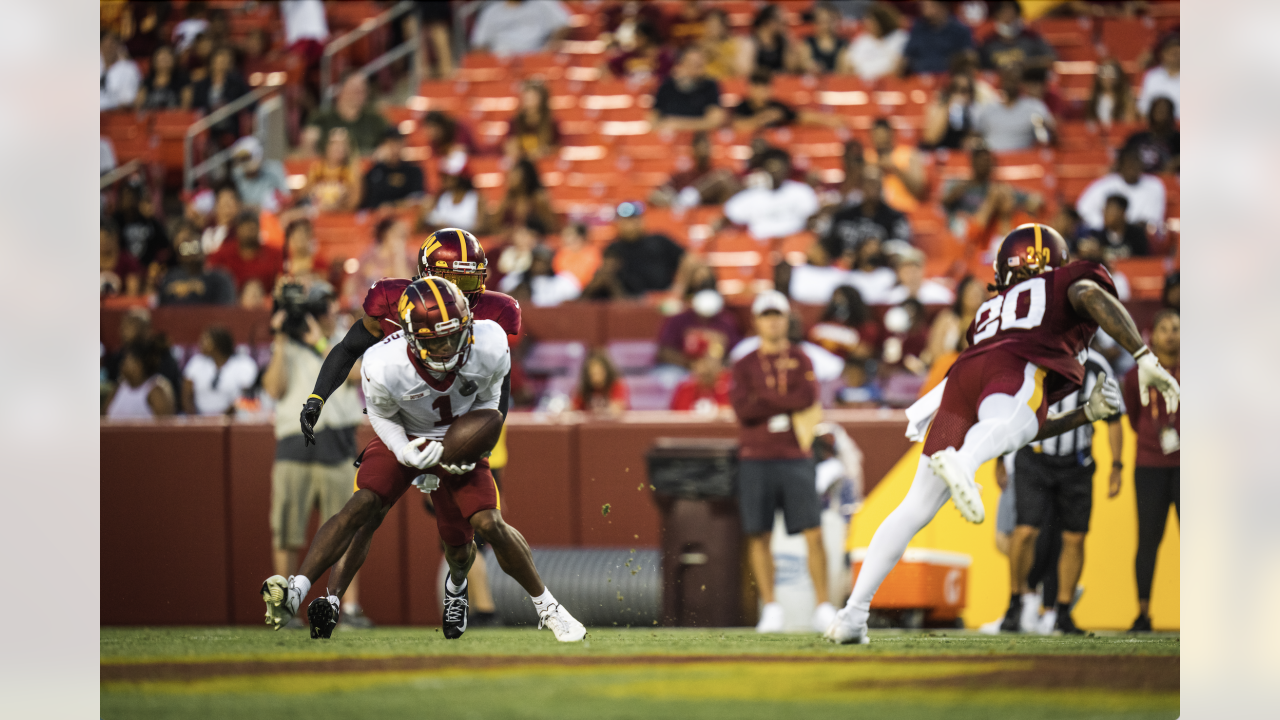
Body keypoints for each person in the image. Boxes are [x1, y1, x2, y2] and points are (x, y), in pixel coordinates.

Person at [824, 223, 1180, 644]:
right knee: (992, 436)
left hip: (964, 377)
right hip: (1013, 364)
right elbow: (1089, 296)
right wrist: (1142, 354)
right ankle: (966, 462)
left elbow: (1019, 427)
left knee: (914, 506)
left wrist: (1084, 414)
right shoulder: (1064, 283)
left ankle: (853, 614)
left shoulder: (988, 312)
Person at [262, 277, 586, 642]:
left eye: (453, 335)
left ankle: (527, 602)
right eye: (436, 339)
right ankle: (298, 590)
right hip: (404, 434)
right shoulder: (384, 362)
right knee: (363, 505)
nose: (448, 347)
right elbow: (381, 417)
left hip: (459, 436)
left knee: (483, 529)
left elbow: (491, 405)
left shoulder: (491, 342)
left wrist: (467, 451)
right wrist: (404, 452)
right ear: (411, 337)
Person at [260, 281, 370, 629]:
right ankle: (282, 606)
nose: (327, 315)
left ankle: (347, 606)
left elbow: (354, 376)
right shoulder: (286, 343)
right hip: (295, 441)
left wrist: (319, 342)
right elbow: (274, 388)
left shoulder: (343, 336)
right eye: (321, 310)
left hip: (338, 440)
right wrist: (281, 340)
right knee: (287, 529)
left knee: (347, 528)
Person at [996, 348, 1124, 635]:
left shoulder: (1096, 364)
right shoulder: (1034, 353)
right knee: (1025, 531)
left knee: (1074, 537)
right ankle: (1016, 601)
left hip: (1076, 462)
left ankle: (1063, 611)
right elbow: (1009, 411)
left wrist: (1117, 465)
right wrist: (999, 458)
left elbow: (1114, 417)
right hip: (1034, 457)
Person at [730, 290, 833, 634]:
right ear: (757, 321)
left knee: (813, 531)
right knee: (758, 534)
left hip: (794, 455)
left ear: (787, 318)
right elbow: (744, 409)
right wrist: (784, 404)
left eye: (777, 314)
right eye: (766, 315)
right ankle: (771, 606)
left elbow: (807, 396)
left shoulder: (802, 359)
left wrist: (766, 400)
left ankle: (823, 604)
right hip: (756, 456)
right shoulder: (744, 364)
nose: (772, 321)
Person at [1123, 309, 1179, 633]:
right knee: (1147, 541)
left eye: (1177, 328)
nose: (1172, 334)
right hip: (1149, 465)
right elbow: (1133, 415)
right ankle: (1143, 613)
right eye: (1165, 328)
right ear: (1152, 335)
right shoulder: (1135, 375)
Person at [591, 202, 686, 297]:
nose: (630, 225)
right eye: (626, 220)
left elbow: (689, 259)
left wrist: (679, 288)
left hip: (662, 296)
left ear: (641, 220)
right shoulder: (613, 249)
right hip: (627, 301)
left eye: (634, 219)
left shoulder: (659, 240)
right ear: (618, 223)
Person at [724, 148, 820, 242]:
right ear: (764, 169)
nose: (775, 171)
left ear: (787, 167)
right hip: (760, 244)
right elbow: (731, 214)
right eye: (771, 167)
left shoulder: (802, 191)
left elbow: (811, 216)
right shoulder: (752, 195)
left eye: (778, 167)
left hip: (794, 242)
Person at [822, 169, 911, 268]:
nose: (873, 187)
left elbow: (902, 248)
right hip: (841, 270)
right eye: (869, 183)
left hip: (879, 272)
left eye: (876, 183)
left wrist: (881, 250)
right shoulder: (842, 216)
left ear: (882, 187)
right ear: (861, 187)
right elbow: (824, 243)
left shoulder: (895, 218)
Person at [1075, 146, 1167, 232]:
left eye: (1136, 162)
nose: (1132, 167)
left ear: (1142, 164)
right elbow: (1083, 211)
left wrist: (1120, 227)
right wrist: (1108, 224)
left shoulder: (1155, 185)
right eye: (1129, 163)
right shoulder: (1104, 184)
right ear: (1120, 165)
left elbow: (1151, 222)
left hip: (1137, 238)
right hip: (1104, 234)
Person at [302, 73, 391, 156]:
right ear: (340, 89)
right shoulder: (321, 118)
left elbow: (391, 142)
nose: (359, 93)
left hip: (368, 168)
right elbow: (308, 146)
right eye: (354, 89)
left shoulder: (376, 119)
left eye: (362, 89)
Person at [180, 325, 259, 416]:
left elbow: (246, 395)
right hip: (199, 417)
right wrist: (195, 419)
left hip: (233, 419)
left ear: (218, 342)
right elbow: (186, 394)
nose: (201, 343)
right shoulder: (196, 363)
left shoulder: (243, 364)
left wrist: (225, 417)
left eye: (206, 340)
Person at [972, 65, 1055, 152]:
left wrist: (1045, 128)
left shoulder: (1034, 106)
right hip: (991, 159)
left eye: (1014, 79)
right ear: (1002, 81)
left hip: (1023, 160)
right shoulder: (988, 108)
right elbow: (975, 135)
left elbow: (1049, 134)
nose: (1011, 82)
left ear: (1021, 82)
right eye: (1008, 78)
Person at [649, 131, 741, 208]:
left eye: (706, 148)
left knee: (722, 179)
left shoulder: (720, 172)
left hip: (716, 215)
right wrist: (670, 199)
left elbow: (738, 194)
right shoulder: (682, 176)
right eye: (699, 148)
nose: (703, 152)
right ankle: (683, 200)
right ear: (692, 150)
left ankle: (686, 200)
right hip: (685, 214)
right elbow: (653, 196)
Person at [657, 287, 741, 369]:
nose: (705, 319)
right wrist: (689, 364)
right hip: (681, 369)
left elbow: (735, 351)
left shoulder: (726, 321)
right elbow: (665, 351)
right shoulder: (678, 320)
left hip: (716, 370)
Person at [207, 211, 284, 299]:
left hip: (266, 304)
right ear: (237, 230)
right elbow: (211, 278)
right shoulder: (222, 254)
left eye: (252, 228)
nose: (249, 231)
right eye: (245, 227)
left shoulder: (275, 253)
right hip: (231, 304)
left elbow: (282, 282)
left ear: (259, 229)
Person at [157, 222, 237, 306]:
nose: (192, 252)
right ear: (179, 256)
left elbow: (225, 312)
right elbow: (162, 309)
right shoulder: (170, 278)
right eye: (186, 248)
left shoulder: (220, 279)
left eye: (196, 246)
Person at [651, 47, 727, 133]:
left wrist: (677, 125)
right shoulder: (667, 86)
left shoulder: (709, 86)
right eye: (693, 64)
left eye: (700, 64)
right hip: (669, 138)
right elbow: (653, 120)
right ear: (681, 64)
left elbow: (715, 120)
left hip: (699, 138)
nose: (698, 68)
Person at [183, 45, 250, 139]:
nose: (221, 64)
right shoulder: (201, 85)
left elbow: (249, 103)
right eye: (219, 60)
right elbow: (196, 107)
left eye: (224, 61)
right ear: (212, 63)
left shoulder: (237, 83)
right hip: (207, 128)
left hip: (230, 129)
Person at [104, 338, 176, 419]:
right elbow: (104, 418)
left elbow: (166, 427)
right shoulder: (118, 387)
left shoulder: (156, 390)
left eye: (127, 359)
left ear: (139, 364)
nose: (122, 364)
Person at [899, 0, 974, 77]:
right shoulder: (918, 28)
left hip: (949, 79)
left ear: (942, 6)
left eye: (928, 4)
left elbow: (968, 60)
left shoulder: (960, 30)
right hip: (919, 78)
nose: (922, 7)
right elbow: (906, 56)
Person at [470, 0, 570, 57]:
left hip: (535, 59)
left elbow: (565, 25)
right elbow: (479, 45)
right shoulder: (491, 11)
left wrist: (549, 48)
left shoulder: (543, 3)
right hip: (501, 61)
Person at [347, 217, 411, 306]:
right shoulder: (368, 255)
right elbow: (352, 282)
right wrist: (349, 302)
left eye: (403, 235)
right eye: (397, 234)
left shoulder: (407, 257)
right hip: (365, 305)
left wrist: (398, 258)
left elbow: (407, 287)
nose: (400, 239)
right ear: (385, 234)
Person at [867, 119, 927, 213]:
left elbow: (918, 188)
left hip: (905, 210)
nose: (880, 141)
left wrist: (896, 169)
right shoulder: (868, 158)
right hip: (876, 214)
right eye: (877, 136)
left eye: (883, 137)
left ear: (891, 135)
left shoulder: (909, 154)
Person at [358, 128, 425, 210]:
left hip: (404, 216)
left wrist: (393, 206)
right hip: (375, 217)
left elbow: (416, 200)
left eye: (397, 144)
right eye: (390, 145)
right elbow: (366, 201)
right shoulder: (373, 171)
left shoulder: (414, 171)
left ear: (403, 145)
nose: (394, 149)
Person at [489, 158, 558, 236]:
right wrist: (507, 232)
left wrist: (533, 233)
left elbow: (550, 227)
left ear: (525, 176)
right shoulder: (506, 201)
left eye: (514, 174)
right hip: (510, 244)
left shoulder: (538, 199)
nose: (510, 178)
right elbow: (494, 227)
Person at [979, 1, 1055, 72]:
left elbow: (1050, 58)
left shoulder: (1032, 38)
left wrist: (1026, 64)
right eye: (1004, 14)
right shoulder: (988, 43)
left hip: (1027, 81)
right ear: (997, 16)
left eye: (1012, 14)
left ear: (1018, 16)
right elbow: (980, 68)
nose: (1008, 17)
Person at [113, 183, 170, 274]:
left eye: (132, 197)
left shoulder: (147, 220)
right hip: (123, 269)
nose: (129, 201)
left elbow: (164, 243)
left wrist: (152, 219)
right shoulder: (116, 221)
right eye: (126, 197)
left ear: (138, 199)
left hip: (147, 267)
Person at [844, 2, 907, 83]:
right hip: (861, 83)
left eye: (872, 21)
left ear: (882, 22)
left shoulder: (899, 38)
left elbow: (898, 67)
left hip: (890, 84)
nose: (867, 23)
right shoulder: (862, 39)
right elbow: (849, 65)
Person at [305, 128, 362, 212]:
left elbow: (354, 203)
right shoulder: (316, 169)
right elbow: (304, 195)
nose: (339, 147)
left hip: (342, 218)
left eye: (343, 144)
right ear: (326, 146)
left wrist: (335, 207)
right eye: (334, 143)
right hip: (316, 216)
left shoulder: (352, 172)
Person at [670, 338, 731, 414]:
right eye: (694, 361)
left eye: (703, 359)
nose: (699, 366)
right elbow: (678, 419)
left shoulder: (728, 383)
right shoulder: (685, 388)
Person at [230, 136, 290, 213]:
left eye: (246, 157)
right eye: (241, 158)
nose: (244, 162)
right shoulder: (236, 175)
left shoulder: (275, 170)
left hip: (271, 217)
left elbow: (286, 197)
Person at [504, 80, 560, 162]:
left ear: (542, 98)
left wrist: (544, 151)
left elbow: (558, 147)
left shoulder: (552, 123)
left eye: (533, 97)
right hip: (521, 163)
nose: (529, 100)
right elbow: (509, 145)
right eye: (527, 97)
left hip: (543, 164)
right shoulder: (515, 122)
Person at [1122, 97, 1180, 174]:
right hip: (1138, 180)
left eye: (1165, 111)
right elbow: (1122, 160)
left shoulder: (1178, 139)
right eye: (1158, 110)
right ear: (1151, 113)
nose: (1161, 114)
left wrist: (1176, 162)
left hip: (1166, 181)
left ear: (1171, 115)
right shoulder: (1136, 138)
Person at [423, 161, 484, 233]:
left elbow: (480, 227)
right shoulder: (443, 197)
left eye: (448, 177)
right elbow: (429, 220)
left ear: (459, 178)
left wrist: (453, 229)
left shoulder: (476, 198)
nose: (444, 180)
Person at [1083, 195, 1150, 259]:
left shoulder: (1136, 235)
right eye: (1104, 210)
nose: (1105, 214)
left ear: (1122, 212)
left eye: (1109, 210)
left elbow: (1141, 261)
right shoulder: (1097, 237)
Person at [922, 71, 976, 150]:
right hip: (938, 154)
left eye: (966, 91)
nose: (961, 95)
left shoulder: (973, 111)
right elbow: (930, 139)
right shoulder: (939, 108)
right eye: (956, 89)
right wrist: (948, 107)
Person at [740, 5, 800, 76]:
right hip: (760, 83)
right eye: (782, 23)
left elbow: (791, 69)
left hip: (781, 83)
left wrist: (792, 47)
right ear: (770, 22)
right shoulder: (750, 43)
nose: (784, 27)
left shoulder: (783, 41)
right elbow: (746, 71)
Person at [883, 246, 954, 305]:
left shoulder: (940, 295)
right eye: (906, 271)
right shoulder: (892, 298)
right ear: (899, 273)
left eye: (914, 270)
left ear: (923, 270)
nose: (911, 275)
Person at [607, 20, 673, 81]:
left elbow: (666, 76)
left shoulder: (664, 56)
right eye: (635, 36)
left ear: (648, 37)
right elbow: (611, 66)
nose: (636, 39)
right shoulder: (631, 54)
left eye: (639, 36)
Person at [1084, 58, 1137, 128]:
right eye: (1105, 73)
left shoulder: (1126, 99)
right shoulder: (1093, 99)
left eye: (1112, 73)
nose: (1108, 77)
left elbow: (1130, 123)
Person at [1137, 34, 1179, 120]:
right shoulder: (1152, 76)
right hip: (1157, 127)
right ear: (1163, 54)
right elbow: (1143, 107)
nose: (1174, 55)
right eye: (1171, 52)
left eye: (1177, 52)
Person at [800, 2, 848, 75]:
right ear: (816, 22)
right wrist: (811, 66)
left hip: (835, 83)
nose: (825, 25)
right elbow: (803, 64)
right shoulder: (808, 43)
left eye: (829, 21)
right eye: (822, 21)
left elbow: (843, 71)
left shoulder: (843, 44)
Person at [551, 222, 602, 290]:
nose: (565, 238)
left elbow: (590, 276)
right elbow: (558, 272)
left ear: (581, 237)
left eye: (569, 235)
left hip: (586, 289)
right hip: (563, 287)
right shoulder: (562, 253)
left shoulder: (593, 253)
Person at [100, 217, 142, 298]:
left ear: (116, 238)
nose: (103, 242)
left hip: (121, 307)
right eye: (100, 239)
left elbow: (132, 294)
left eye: (106, 238)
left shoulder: (128, 261)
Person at [136, 45, 187, 110]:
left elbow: (186, 107)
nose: (164, 59)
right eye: (161, 56)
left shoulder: (182, 81)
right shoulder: (146, 82)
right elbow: (137, 106)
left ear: (174, 60)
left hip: (174, 118)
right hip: (151, 118)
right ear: (154, 60)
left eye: (167, 56)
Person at [100, 33, 142, 111]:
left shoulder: (129, 68)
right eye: (105, 45)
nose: (108, 49)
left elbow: (128, 101)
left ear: (118, 46)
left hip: (114, 114)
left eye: (111, 45)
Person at [697, 9, 743, 80]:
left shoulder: (733, 44)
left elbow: (738, 70)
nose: (711, 29)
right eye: (709, 25)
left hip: (727, 81)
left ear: (723, 27)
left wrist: (717, 51)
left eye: (715, 25)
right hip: (706, 82)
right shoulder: (700, 45)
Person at [199, 184, 242, 255]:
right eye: (224, 201)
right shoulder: (208, 230)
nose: (227, 205)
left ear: (238, 205)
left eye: (231, 201)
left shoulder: (243, 230)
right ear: (216, 206)